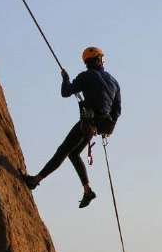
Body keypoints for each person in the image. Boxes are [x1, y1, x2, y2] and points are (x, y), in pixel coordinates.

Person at [24, 46, 121, 208]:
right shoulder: (114, 81)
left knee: (63, 150)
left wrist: (65, 79)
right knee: (74, 153)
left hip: (88, 122)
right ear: (99, 60)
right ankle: (87, 190)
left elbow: (66, 92)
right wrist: (109, 125)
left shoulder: (86, 76)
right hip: (100, 124)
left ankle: (35, 180)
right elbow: (117, 110)